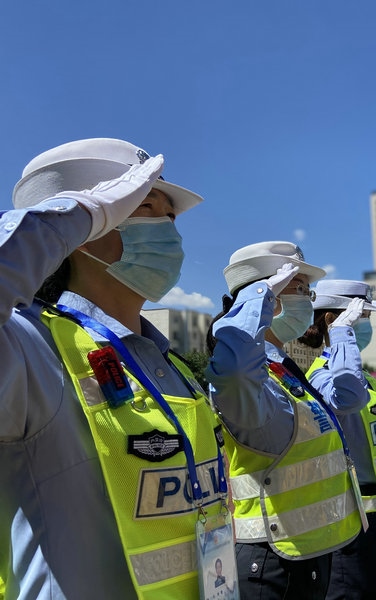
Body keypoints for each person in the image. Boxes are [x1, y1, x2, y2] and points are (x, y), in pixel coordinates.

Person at [0, 138, 231, 599]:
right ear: (88, 225)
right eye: (144, 205)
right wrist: (76, 213)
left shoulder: (171, 364)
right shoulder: (27, 347)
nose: (168, 229)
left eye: (170, 216)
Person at [205, 242, 365, 600]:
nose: (308, 301)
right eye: (299, 288)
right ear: (270, 295)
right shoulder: (250, 373)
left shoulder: (284, 369)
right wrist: (257, 297)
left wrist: (341, 334)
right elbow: (233, 370)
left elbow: (349, 400)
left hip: (306, 550)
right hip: (270, 559)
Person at [298, 279, 376, 600]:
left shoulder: (365, 378)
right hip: (349, 523)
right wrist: (342, 334)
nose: (368, 325)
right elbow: (346, 397)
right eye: (363, 317)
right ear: (333, 320)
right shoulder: (322, 375)